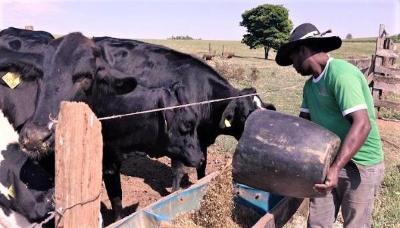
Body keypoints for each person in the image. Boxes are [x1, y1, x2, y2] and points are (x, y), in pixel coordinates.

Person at [275, 23, 384, 227]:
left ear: (303, 50)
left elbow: (362, 125)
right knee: (317, 222)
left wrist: (336, 168)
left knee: (355, 223)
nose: (293, 65)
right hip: (328, 162)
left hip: (361, 164)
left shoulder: (341, 74)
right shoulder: (310, 86)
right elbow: (302, 127)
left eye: (292, 58)